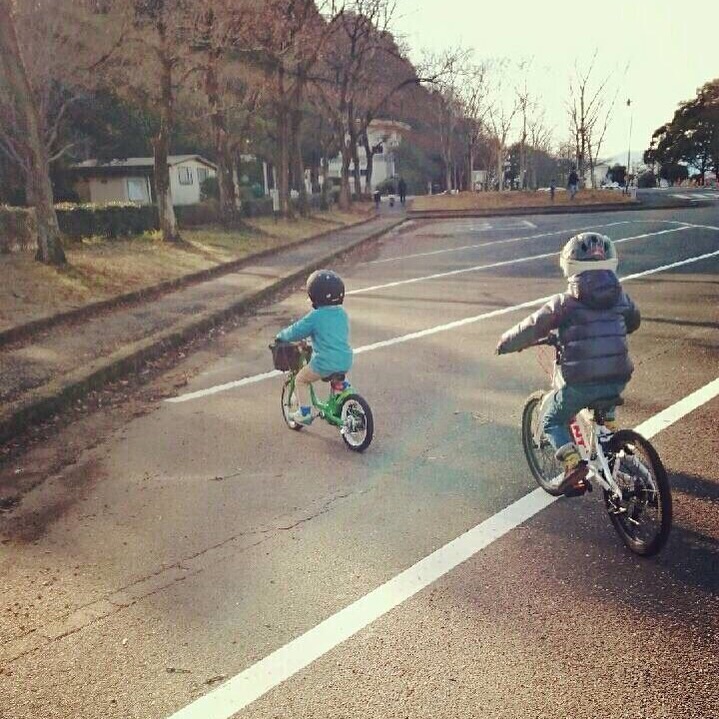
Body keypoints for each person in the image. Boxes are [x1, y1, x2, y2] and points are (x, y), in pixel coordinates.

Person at [496, 233, 640, 496]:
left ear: (569, 264)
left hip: (581, 381)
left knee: (550, 417)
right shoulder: (621, 297)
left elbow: (532, 326)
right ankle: (609, 429)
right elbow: (633, 322)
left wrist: (506, 343)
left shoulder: (565, 303)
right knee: (604, 393)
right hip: (619, 375)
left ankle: (573, 464)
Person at [276, 270, 353, 425]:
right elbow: (332, 334)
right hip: (345, 358)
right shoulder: (342, 313)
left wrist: (281, 336)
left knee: (301, 379)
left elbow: (296, 330)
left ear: (314, 295)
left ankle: (304, 413)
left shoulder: (315, 316)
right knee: (336, 375)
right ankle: (342, 395)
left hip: (325, 361)